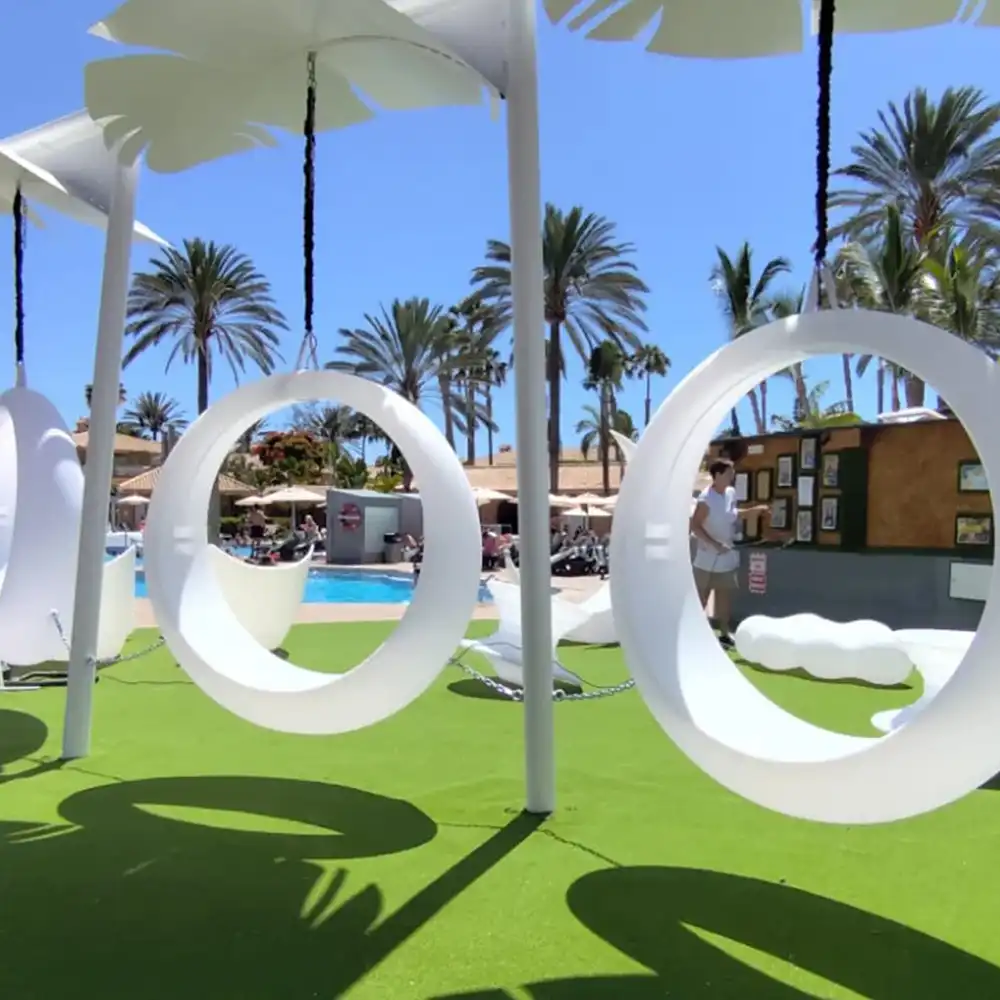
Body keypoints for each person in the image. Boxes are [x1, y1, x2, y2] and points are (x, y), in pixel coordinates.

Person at [689, 458, 768, 648]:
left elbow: (731, 513)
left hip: (727, 556)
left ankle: (724, 634)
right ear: (716, 475)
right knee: (701, 598)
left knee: (724, 596)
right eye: (728, 473)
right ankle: (693, 635)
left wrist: (752, 511)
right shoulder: (706, 498)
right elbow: (695, 526)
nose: (732, 477)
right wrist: (715, 544)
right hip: (706, 557)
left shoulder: (731, 493)